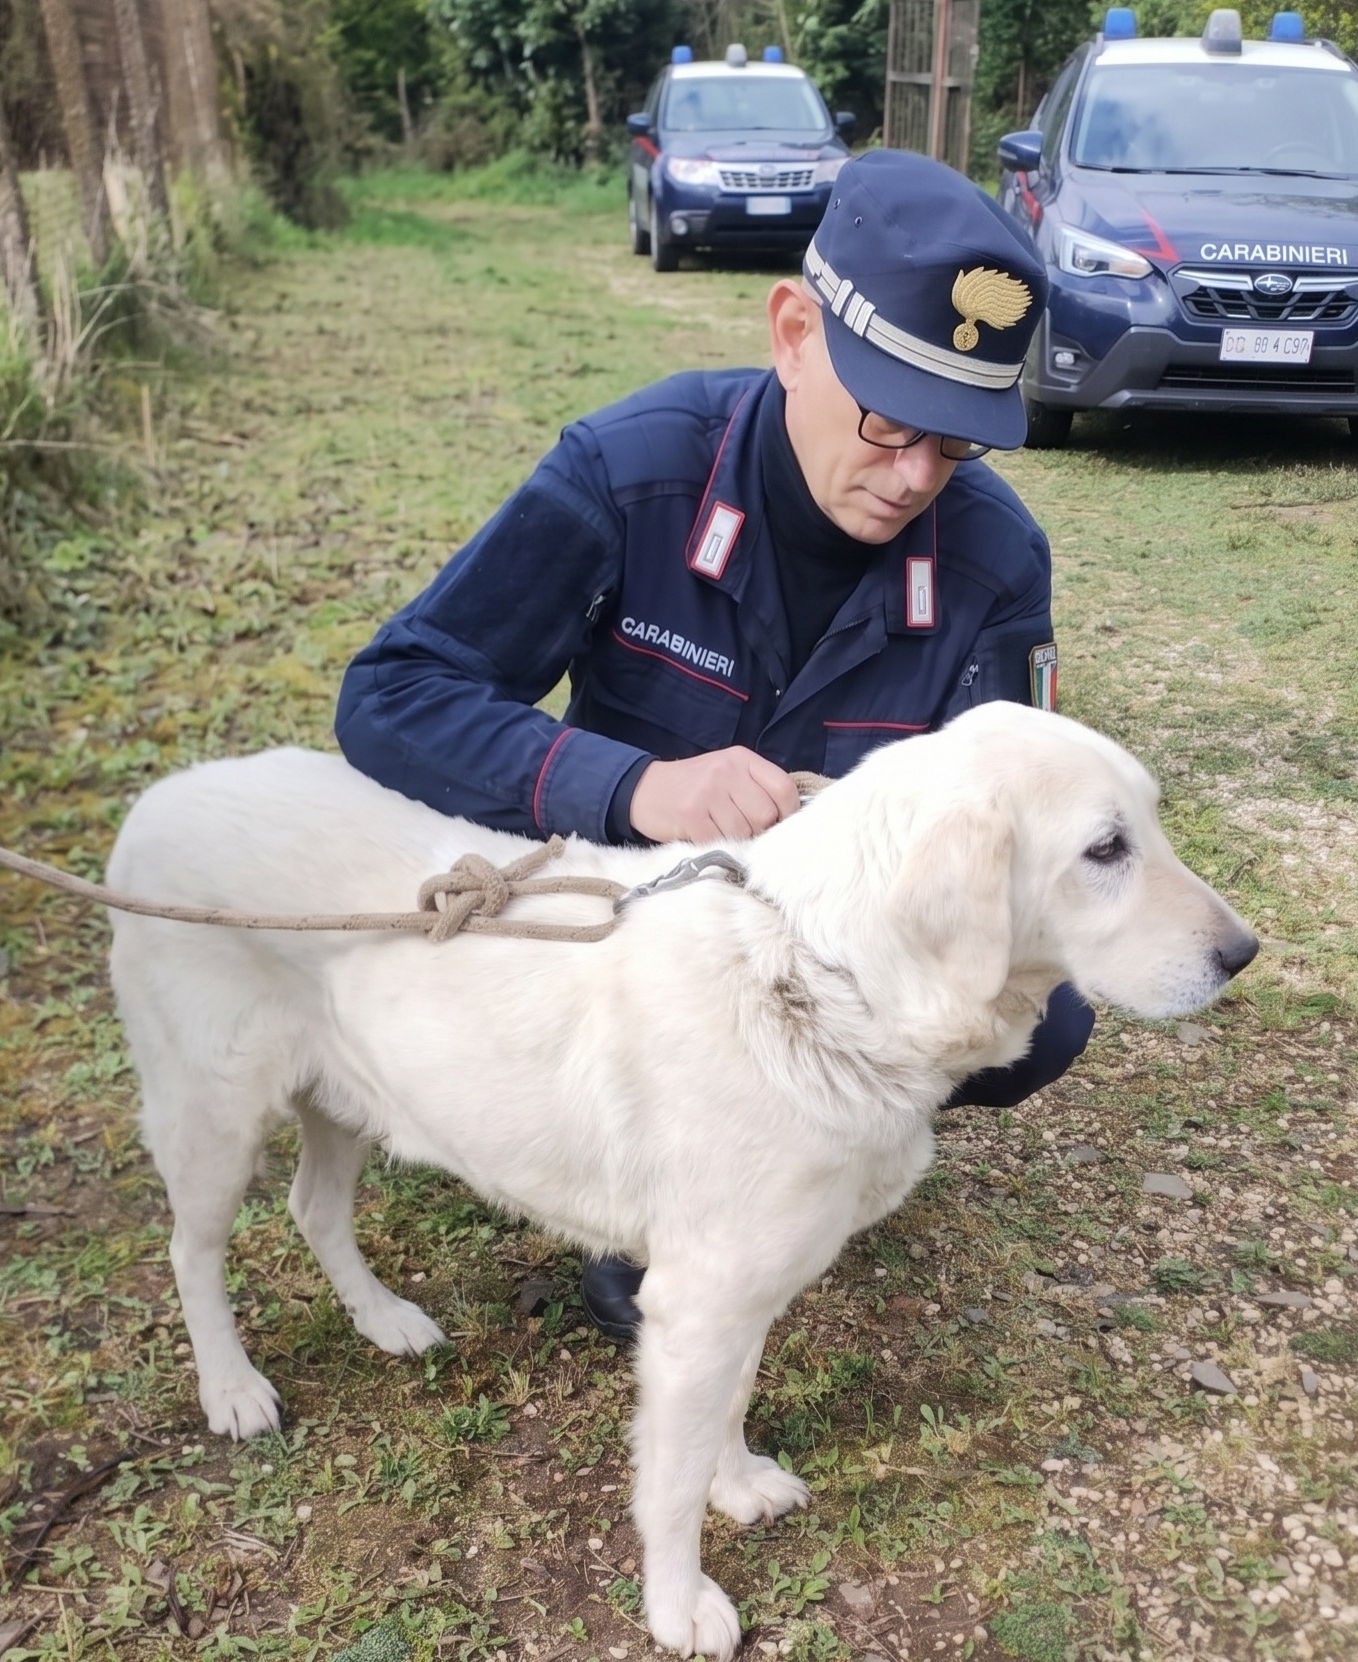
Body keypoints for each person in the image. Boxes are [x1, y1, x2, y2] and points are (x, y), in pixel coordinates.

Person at [335, 149, 1095, 1342]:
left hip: (830, 940)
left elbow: (1024, 817)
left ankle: (814, 1141)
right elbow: (391, 695)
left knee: (1039, 1023)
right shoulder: (628, 474)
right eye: (891, 422)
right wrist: (632, 785)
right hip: (626, 935)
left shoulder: (994, 565)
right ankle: (648, 1178)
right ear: (794, 330)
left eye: (955, 446)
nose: (912, 480)